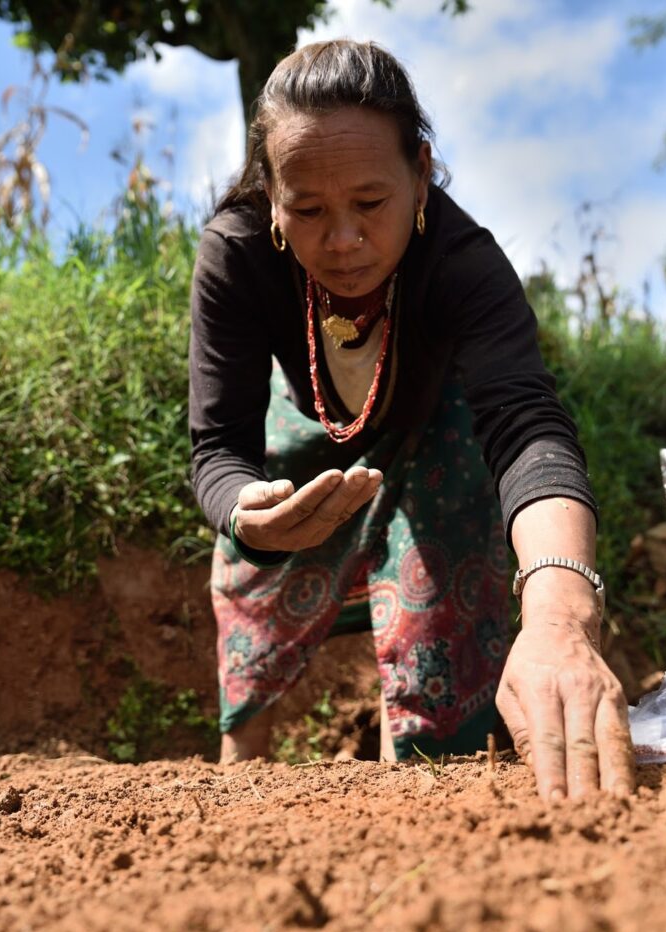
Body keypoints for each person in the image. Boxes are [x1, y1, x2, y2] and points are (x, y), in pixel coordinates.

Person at [189, 39, 634, 801]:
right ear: (270, 197)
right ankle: (239, 774)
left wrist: (560, 611)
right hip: (312, 433)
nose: (341, 240)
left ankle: (429, 779)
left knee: (447, 543)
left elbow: (526, 428)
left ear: (420, 174)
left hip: (438, 432)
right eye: (306, 209)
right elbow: (219, 448)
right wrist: (244, 512)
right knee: (252, 564)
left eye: (370, 202)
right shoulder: (235, 255)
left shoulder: (464, 262)